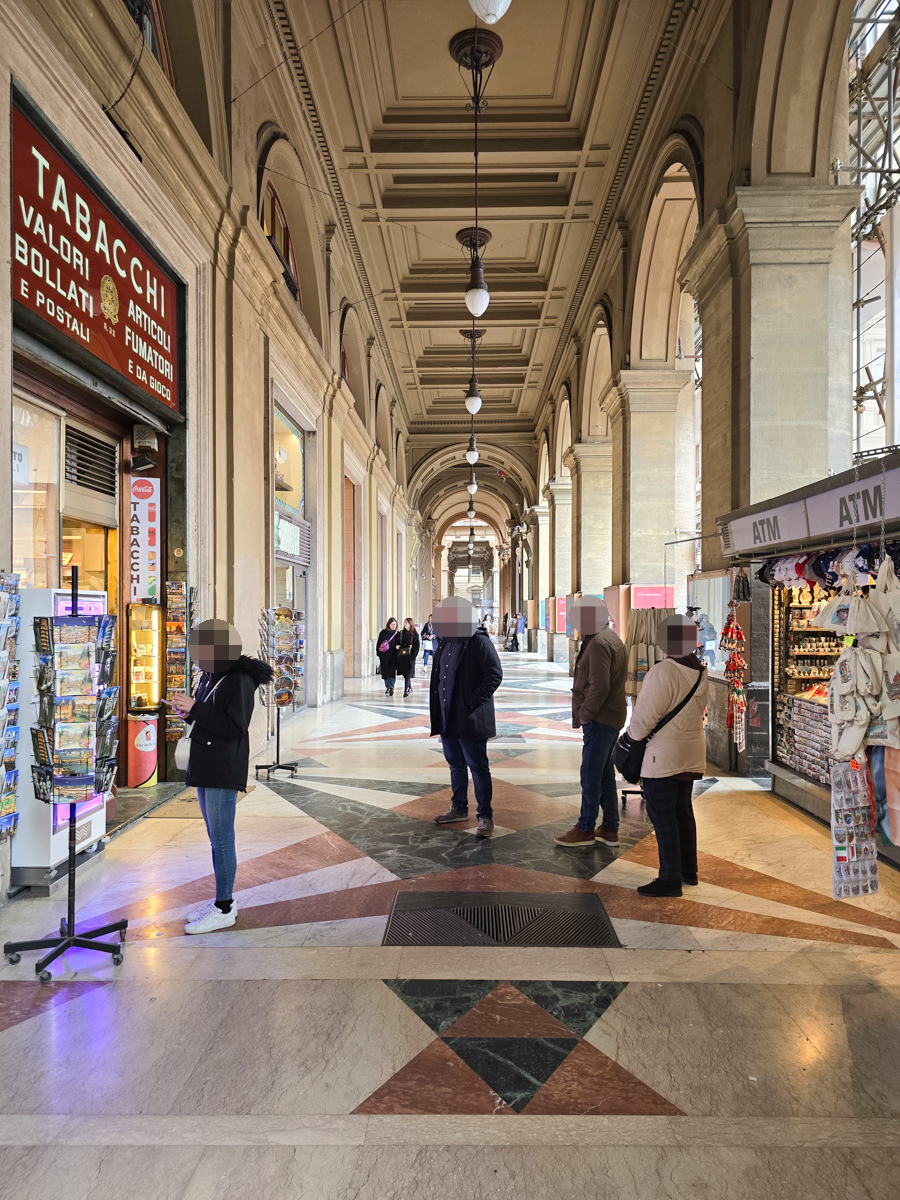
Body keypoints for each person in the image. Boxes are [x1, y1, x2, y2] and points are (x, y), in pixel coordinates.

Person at [169, 619, 274, 934]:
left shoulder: (239, 679)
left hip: (223, 766)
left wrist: (197, 709)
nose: (195, 654)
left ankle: (225, 907)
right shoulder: (210, 674)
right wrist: (188, 711)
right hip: (205, 762)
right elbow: (207, 712)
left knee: (222, 840)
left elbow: (234, 727)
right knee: (215, 838)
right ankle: (220, 901)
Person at [626, 613, 709, 897]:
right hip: (690, 751)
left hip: (663, 755)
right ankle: (689, 871)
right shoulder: (700, 670)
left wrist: (630, 739)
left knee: (663, 815)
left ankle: (669, 878)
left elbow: (645, 716)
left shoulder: (663, 671)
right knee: (682, 811)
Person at [555, 597, 627, 850]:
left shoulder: (598, 643)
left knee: (590, 775)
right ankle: (610, 827)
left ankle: (585, 828)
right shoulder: (606, 636)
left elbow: (600, 685)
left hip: (601, 719)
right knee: (605, 774)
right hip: (610, 716)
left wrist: (586, 713)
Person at [430, 595, 503, 839]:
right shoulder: (445, 642)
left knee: (478, 768)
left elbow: (494, 675)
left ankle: (485, 817)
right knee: (456, 765)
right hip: (447, 717)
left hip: (470, 718)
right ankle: (459, 808)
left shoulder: (479, 642)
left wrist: (471, 702)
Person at [376, 618, 400, 695]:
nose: (393, 626)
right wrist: (379, 653)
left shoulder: (397, 634)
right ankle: (387, 687)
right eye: (392, 624)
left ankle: (391, 687)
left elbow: (399, 643)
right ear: (388, 624)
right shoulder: (383, 633)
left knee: (392, 671)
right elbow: (379, 643)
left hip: (393, 655)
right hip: (384, 656)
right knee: (385, 672)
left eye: (395, 625)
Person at [397, 617, 420, 697]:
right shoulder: (401, 633)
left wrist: (414, 655)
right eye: (404, 623)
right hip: (402, 656)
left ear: (410, 624)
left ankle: (406, 690)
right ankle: (409, 687)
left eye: (406, 623)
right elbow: (398, 642)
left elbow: (417, 646)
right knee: (405, 674)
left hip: (410, 657)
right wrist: (398, 646)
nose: (404, 624)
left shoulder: (415, 634)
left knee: (407, 673)